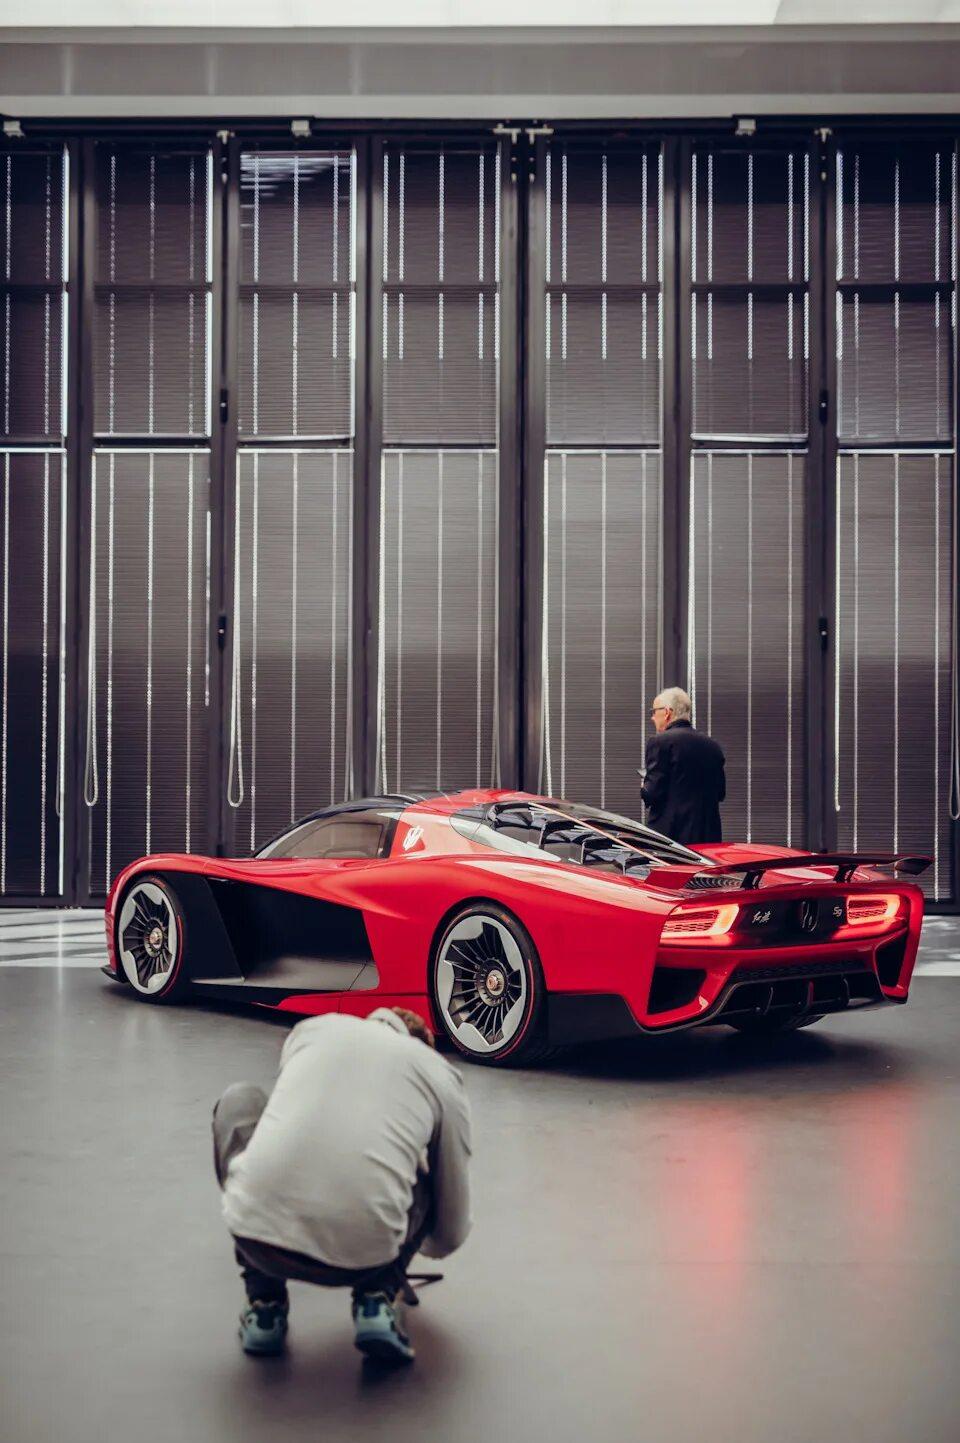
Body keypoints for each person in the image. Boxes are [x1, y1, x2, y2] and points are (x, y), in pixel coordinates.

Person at [212, 1006, 472, 1365]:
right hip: (368, 1258)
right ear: (423, 1046)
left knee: (239, 1099)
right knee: (427, 1173)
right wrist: (407, 1243)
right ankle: (376, 1301)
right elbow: (451, 1228)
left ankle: (265, 1307)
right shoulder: (439, 1073)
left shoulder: (311, 1030)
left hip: (254, 1236)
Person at [639, 686, 725, 845]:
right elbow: (720, 793)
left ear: (667, 712)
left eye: (654, 711)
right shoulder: (713, 746)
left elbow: (651, 794)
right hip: (708, 838)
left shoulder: (660, 742)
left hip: (671, 842)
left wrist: (644, 785)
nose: (652, 717)